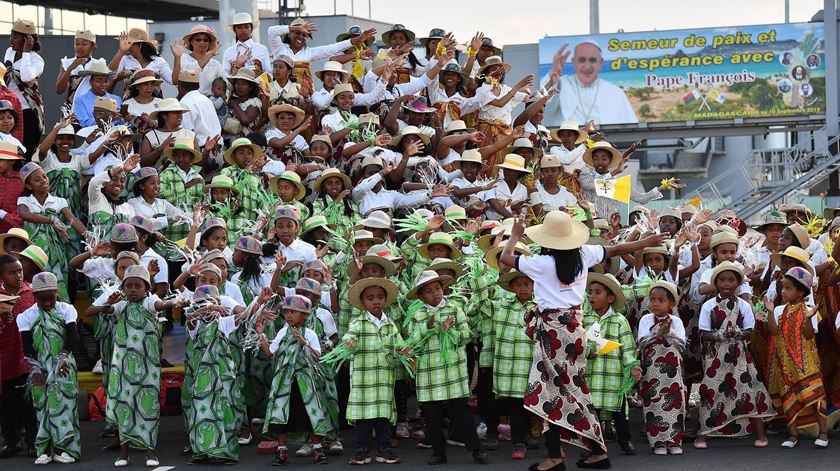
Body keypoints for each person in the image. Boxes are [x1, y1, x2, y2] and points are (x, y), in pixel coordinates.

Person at [498, 210, 667, 470]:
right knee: (577, 391)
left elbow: (507, 258)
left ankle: (555, 456)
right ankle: (598, 452)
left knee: (549, 393)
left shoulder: (541, 263)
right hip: (575, 330)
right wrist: (645, 242)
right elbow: (616, 248)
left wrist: (515, 235)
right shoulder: (584, 255)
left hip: (551, 333)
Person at [99, 265, 186, 467]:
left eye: (138, 285)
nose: (132, 289)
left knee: (148, 407)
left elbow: (161, 305)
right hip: (124, 368)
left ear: (147, 287)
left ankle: (150, 452)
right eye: (128, 286)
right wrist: (107, 303)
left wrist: (174, 302)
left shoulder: (150, 301)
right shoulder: (121, 305)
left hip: (148, 367)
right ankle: (124, 453)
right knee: (125, 407)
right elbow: (91, 311)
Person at [405, 270, 489, 465]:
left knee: (462, 413)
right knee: (432, 416)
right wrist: (429, 328)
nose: (435, 294)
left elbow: (467, 335)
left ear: (443, 289)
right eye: (428, 291)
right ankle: (438, 453)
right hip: (429, 373)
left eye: (437, 288)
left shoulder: (454, 308)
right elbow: (412, 344)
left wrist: (450, 333)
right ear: (420, 296)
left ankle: (476, 450)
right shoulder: (417, 315)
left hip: (453, 371)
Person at [695, 261, 773, 449]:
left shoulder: (744, 305)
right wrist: (719, 335)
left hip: (740, 356)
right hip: (715, 357)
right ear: (716, 283)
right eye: (722, 280)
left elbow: (750, 331)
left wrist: (738, 334)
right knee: (710, 391)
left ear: (738, 284)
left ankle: (760, 434)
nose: (726, 284)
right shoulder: (708, 306)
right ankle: (703, 434)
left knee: (748, 390)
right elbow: (703, 333)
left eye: (731, 280)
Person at [255, 294, 339, 466]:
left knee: (309, 415)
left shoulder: (310, 333)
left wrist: (304, 343)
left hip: (305, 383)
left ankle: (318, 450)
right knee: (281, 418)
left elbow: (317, 356)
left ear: (305, 315)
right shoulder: (282, 332)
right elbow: (270, 352)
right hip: (284, 382)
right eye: (286, 312)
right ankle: (282, 452)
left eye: (294, 312)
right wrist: (260, 334)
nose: (289, 316)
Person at [17, 272, 81, 465]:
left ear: (57, 293)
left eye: (50, 299)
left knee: (65, 406)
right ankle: (44, 449)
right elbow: (27, 346)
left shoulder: (66, 310)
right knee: (42, 408)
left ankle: (66, 449)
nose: (46, 304)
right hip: (39, 367)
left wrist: (62, 358)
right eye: (41, 299)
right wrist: (36, 369)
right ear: (34, 297)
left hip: (64, 366)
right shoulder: (27, 316)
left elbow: (73, 337)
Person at [342, 277, 406, 465]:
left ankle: (384, 449)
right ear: (363, 302)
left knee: (382, 416)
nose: (375, 301)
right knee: (363, 417)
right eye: (370, 298)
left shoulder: (390, 325)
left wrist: (403, 351)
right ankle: (362, 450)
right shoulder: (357, 323)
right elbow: (348, 341)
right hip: (363, 378)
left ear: (385, 300)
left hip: (383, 378)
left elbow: (399, 345)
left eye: (379, 297)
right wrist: (350, 343)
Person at [765, 267, 829, 448]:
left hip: (807, 364)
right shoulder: (779, 310)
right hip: (785, 364)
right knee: (788, 398)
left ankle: (823, 434)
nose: (783, 292)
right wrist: (770, 312)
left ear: (801, 292)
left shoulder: (810, 310)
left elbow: (809, 336)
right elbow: (773, 332)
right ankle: (793, 436)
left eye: (788, 289)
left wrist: (808, 318)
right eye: (783, 288)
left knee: (815, 397)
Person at [584, 273, 640, 456]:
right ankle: (592, 445)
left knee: (618, 409)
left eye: (597, 292)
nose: (592, 296)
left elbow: (628, 347)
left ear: (610, 298)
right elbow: (578, 342)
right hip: (591, 373)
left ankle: (625, 441)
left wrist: (632, 365)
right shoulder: (585, 318)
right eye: (590, 292)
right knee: (592, 411)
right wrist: (586, 352)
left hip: (614, 373)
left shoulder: (619, 320)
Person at [17, 162, 88, 301]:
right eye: (37, 180)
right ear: (29, 186)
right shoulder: (25, 201)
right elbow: (25, 214)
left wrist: (87, 234)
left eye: (44, 176)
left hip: (56, 254)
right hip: (34, 254)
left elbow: (72, 219)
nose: (44, 181)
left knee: (58, 281)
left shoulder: (58, 201)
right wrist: (51, 220)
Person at [636, 280, 687, 455]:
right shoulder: (645, 319)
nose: (655, 303)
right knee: (653, 402)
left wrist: (668, 333)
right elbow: (642, 342)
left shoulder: (677, 321)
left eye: (661, 300)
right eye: (653, 299)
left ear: (671, 303)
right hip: (652, 369)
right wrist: (658, 333)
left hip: (673, 370)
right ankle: (658, 441)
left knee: (674, 402)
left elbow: (681, 345)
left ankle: (674, 440)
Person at [543, 40, 638, 125]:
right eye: (582, 60)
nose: (587, 66)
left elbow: (631, 126)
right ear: (574, 62)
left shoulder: (615, 92)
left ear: (600, 63)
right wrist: (553, 73)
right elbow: (543, 107)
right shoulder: (562, 83)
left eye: (592, 60)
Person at [0, 254, 37, 458]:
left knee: (30, 403)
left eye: (20, 270)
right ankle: (10, 442)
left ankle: (32, 441)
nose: (18, 275)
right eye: (12, 272)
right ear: (1, 276)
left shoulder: (31, 292)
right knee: (7, 404)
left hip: (28, 358)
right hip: (5, 358)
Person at [3, 19, 44, 157]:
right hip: (9, 109)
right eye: (11, 36)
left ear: (27, 39)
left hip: (27, 111)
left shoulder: (37, 60)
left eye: (14, 37)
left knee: (25, 149)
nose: (11, 40)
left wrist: (26, 52)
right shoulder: (10, 52)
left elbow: (26, 77)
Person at [108, 28, 173, 91]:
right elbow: (110, 72)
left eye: (129, 43)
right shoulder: (126, 59)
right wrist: (121, 51)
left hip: (155, 101)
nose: (128, 47)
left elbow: (172, 80)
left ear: (140, 44)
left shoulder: (158, 60)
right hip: (130, 101)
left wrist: (177, 58)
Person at [177, 68, 222, 153]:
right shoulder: (206, 99)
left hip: (202, 151)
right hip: (218, 148)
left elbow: (186, 133)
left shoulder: (185, 103)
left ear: (180, 87)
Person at [171, 24, 223, 96]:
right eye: (198, 39)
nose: (202, 42)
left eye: (205, 40)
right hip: (188, 100)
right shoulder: (184, 58)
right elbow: (176, 81)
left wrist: (237, 67)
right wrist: (177, 58)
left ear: (209, 43)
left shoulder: (215, 64)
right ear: (191, 42)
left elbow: (228, 83)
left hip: (209, 102)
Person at [56, 30, 103, 106]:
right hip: (72, 109)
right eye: (76, 43)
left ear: (92, 47)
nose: (79, 47)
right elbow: (59, 90)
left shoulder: (99, 63)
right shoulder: (67, 63)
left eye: (84, 44)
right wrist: (70, 69)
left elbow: (104, 89)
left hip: (93, 108)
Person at [72, 61, 121, 128]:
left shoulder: (117, 99)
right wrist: (108, 119)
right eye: (98, 81)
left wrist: (126, 118)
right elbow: (85, 123)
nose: (103, 84)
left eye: (106, 81)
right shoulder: (80, 101)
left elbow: (121, 122)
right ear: (90, 82)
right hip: (92, 137)